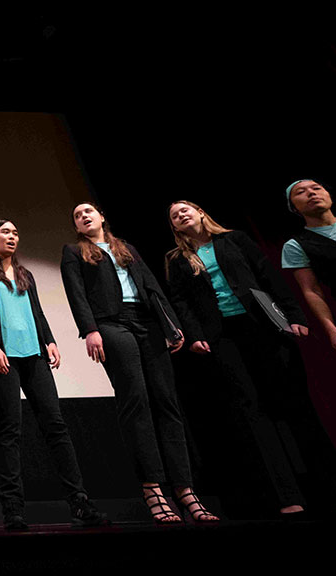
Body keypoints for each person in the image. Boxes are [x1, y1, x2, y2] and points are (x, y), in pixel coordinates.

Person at [167, 200, 336, 517]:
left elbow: (267, 275)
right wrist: (195, 334)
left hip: (266, 327)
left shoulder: (235, 239)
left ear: (202, 212)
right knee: (252, 411)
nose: (180, 214)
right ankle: (287, 497)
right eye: (174, 216)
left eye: (185, 209)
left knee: (295, 406)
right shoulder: (177, 259)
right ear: (174, 227)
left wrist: (294, 315)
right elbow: (181, 301)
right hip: (224, 337)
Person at [60, 202, 217, 524]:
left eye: (88, 211)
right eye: (78, 215)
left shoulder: (126, 248)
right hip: (111, 324)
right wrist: (90, 330)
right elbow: (76, 293)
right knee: (137, 402)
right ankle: (152, 487)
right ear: (77, 227)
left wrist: (172, 325)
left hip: (147, 322)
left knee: (167, 404)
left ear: (102, 216)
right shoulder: (74, 252)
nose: (84, 216)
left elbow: (152, 287)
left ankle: (185, 489)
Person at [0, 218, 109, 530]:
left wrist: (50, 340)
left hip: (34, 356)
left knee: (56, 426)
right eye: (5, 232)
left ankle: (79, 501)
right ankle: (12, 508)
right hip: (3, 358)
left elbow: (37, 312)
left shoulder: (26, 274)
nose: (12, 236)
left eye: (15, 232)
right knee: (10, 430)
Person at [281, 179, 336, 357]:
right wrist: (331, 329)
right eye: (300, 192)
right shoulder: (296, 245)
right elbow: (311, 290)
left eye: (316, 188)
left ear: (329, 196)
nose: (311, 193)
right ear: (294, 208)